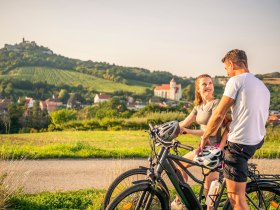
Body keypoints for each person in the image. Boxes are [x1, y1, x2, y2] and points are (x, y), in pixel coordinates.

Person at [200, 49, 270, 210]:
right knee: (227, 183)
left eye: (226, 69)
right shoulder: (261, 86)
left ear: (231, 64)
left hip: (239, 143)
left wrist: (205, 135)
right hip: (256, 140)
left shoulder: (236, 80)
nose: (227, 73)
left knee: (236, 200)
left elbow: (218, 113)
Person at [171, 74, 229, 210]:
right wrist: (166, 128)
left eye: (210, 83)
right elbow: (183, 123)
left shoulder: (216, 104)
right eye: (204, 84)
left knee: (209, 192)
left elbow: (211, 131)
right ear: (198, 89)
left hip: (214, 150)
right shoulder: (198, 106)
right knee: (179, 165)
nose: (208, 86)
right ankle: (180, 201)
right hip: (203, 148)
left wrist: (188, 131)